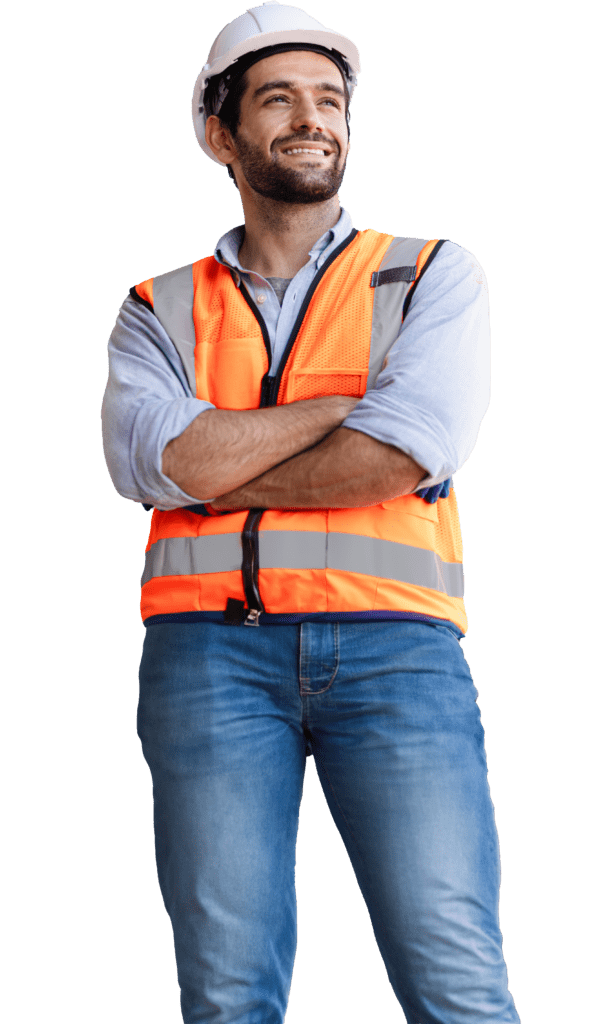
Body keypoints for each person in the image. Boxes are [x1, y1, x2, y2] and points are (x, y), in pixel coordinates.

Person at [101, 3, 520, 1022]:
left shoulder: (430, 276)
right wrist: (336, 407)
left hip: (398, 654)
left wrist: (212, 464)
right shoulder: (157, 308)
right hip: (209, 659)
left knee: (455, 975)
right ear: (221, 132)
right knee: (226, 990)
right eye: (277, 98)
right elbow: (143, 459)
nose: (311, 118)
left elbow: (406, 448)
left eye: (328, 99)